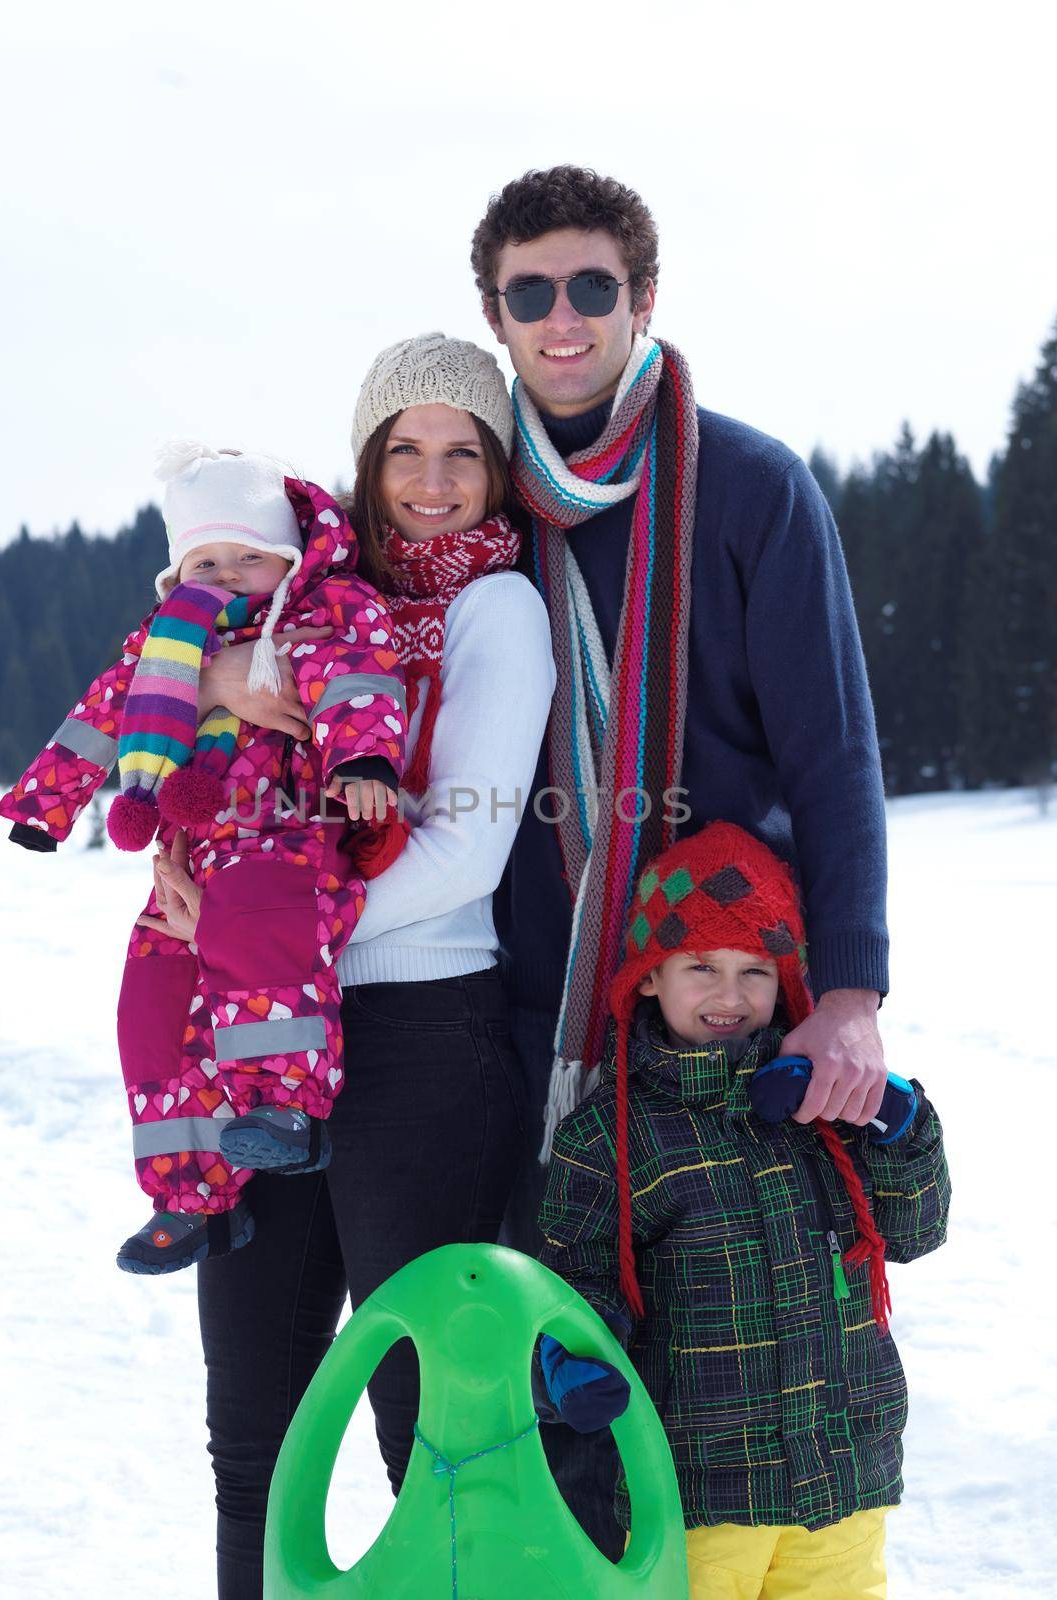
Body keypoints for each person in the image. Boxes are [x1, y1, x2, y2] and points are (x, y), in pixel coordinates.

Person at [472, 165, 893, 1554]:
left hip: (715, 1005)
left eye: (592, 285)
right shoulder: (475, 505)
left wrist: (851, 991)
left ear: (643, 298)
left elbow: (834, 756)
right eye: (530, 292)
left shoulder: (751, 488)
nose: (564, 317)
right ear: (498, 315)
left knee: (736, 1374)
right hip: (522, 995)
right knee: (533, 1375)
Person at [161, 333, 556, 1597]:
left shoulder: (499, 607)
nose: (431, 481)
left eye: (461, 453)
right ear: (367, 464)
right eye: (403, 451)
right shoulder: (303, 606)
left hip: (422, 1034)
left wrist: (261, 923)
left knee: (423, 1425)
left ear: (497, 471)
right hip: (260, 1043)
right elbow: (192, 750)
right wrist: (220, 679)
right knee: (253, 1435)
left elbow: (469, 852)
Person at [0, 446, 405, 1272]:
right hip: (197, 850)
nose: (228, 575)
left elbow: (357, 680)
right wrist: (48, 804)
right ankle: (191, 1195)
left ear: (287, 555)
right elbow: (102, 713)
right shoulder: (166, 645)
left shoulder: (326, 610)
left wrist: (364, 761)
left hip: (288, 833)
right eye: (206, 561)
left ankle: (286, 1107)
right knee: (152, 997)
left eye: (248, 557)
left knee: (259, 934)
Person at [537, 821, 950, 1599]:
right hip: (700, 1498)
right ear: (650, 977)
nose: (729, 996)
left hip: (843, 1479)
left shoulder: (827, 1104)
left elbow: (915, 1232)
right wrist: (568, 1358)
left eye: (754, 970)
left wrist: (901, 1126)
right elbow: (575, 1279)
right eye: (700, 966)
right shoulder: (613, 1133)